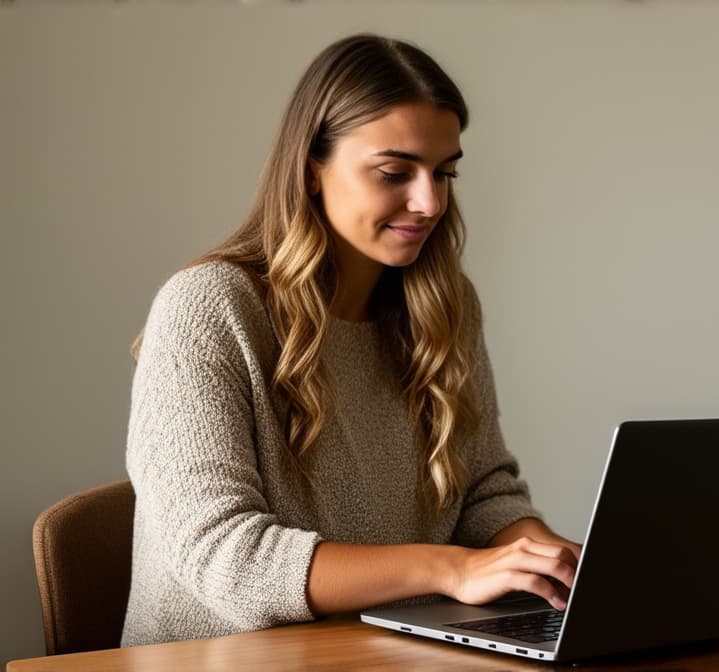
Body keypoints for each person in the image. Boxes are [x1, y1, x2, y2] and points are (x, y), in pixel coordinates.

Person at [121, 34, 580, 647]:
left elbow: (482, 492)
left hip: (398, 653)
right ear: (313, 168)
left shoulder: (446, 308)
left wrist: (554, 561)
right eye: (395, 172)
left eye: (444, 172)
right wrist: (452, 569)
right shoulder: (207, 308)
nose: (430, 202)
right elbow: (228, 560)